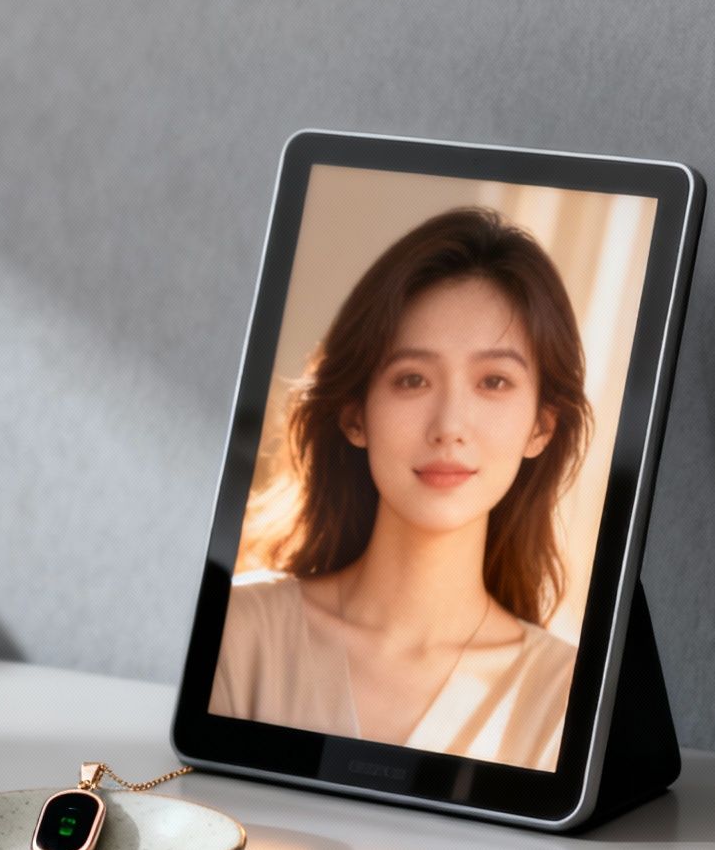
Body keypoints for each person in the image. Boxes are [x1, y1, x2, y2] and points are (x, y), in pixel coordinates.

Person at [210, 207, 592, 771]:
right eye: (412, 379)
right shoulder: (240, 635)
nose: (449, 426)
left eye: (494, 381)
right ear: (354, 415)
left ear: (542, 426)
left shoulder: (568, 698)